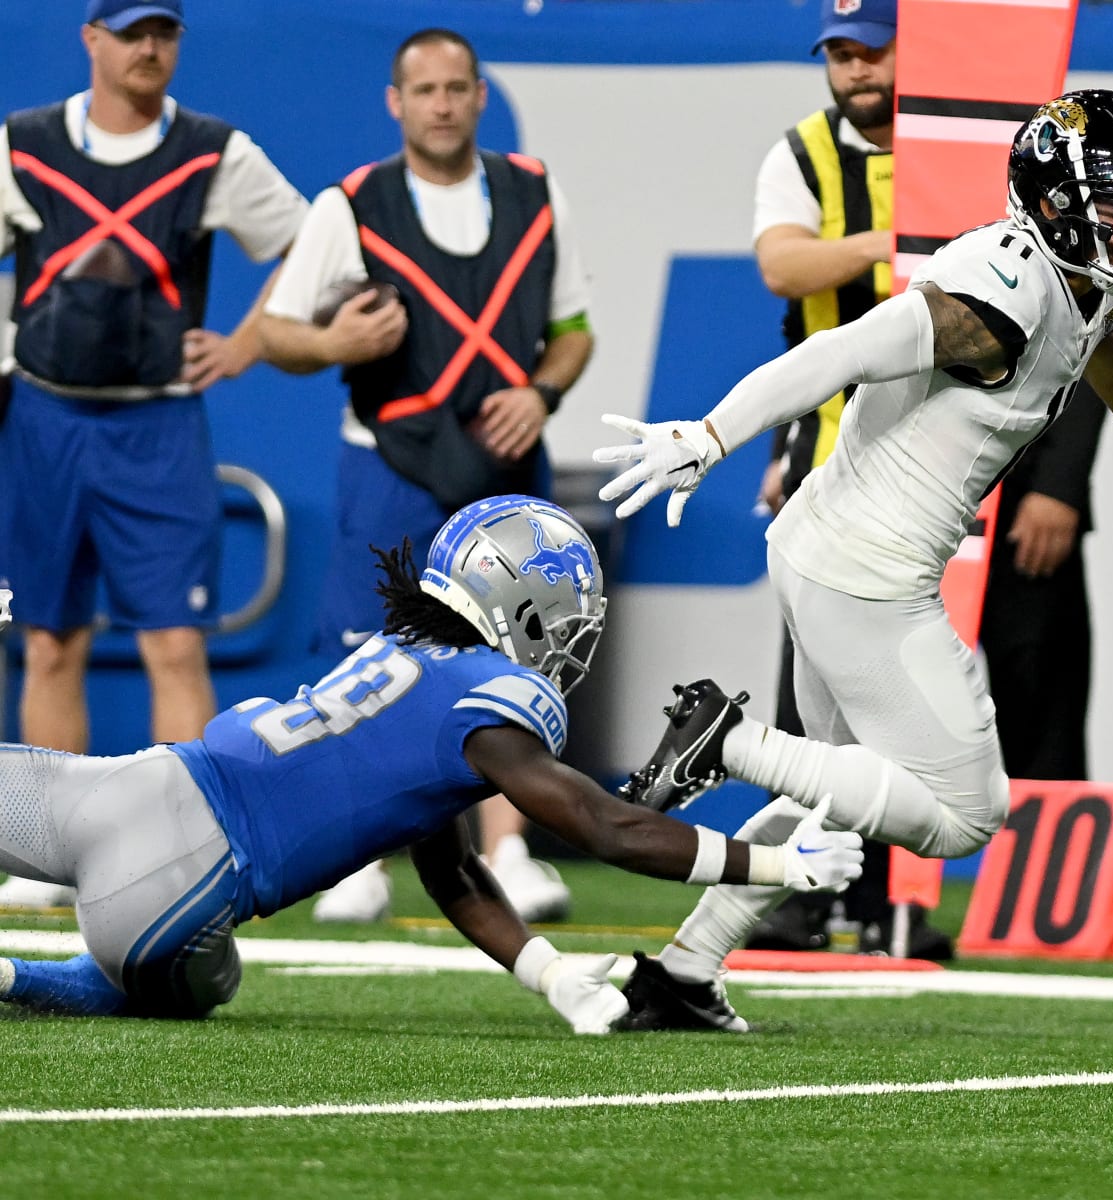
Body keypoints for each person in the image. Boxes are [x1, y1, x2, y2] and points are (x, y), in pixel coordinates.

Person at [593, 89, 1113, 1029]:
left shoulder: (1083, 281)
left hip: (837, 551)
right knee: (963, 814)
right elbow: (839, 351)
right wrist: (710, 436)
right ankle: (728, 741)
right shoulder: (999, 299)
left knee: (837, 791)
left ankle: (683, 971)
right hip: (867, 573)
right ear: (1057, 203)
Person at [0, 494, 864, 1029]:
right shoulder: (488, 701)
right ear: (526, 612)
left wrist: (550, 973)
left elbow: (449, 863)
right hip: (174, 889)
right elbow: (605, 825)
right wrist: (780, 861)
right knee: (191, 984)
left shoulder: (400, 650)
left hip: (127, 787)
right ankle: (17, 979)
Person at [259, 28, 593, 925]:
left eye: (457, 88)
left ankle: (510, 852)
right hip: (389, 461)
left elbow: (574, 329)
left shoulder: (534, 189)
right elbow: (278, 331)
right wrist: (336, 344)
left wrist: (541, 390)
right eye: (425, 90)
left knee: (510, 660)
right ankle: (354, 859)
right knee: (365, 659)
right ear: (395, 103)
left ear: (481, 96)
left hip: (505, 462)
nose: (442, 104)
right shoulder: (351, 204)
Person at [0, 0, 308, 909]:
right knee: (50, 643)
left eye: (164, 33)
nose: (148, 49)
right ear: (90, 40)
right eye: (131, 32)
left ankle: (187, 857)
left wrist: (245, 343)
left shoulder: (217, 151)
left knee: (176, 645)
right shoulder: (21, 146)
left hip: (159, 429)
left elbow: (311, 244)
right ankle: (49, 863)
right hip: (44, 423)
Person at [744, 0, 948, 957]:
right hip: (831, 448)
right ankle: (796, 883)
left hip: (946, 451)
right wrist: (885, 247)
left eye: (874, 50)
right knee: (812, 683)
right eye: (841, 54)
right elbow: (781, 264)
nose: (858, 70)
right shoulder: (802, 153)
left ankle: (886, 899)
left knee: (917, 676)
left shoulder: (959, 147)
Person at [978, 381, 1107, 781]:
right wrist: (800, 446)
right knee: (870, 720)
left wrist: (1058, 481)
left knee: (1040, 718)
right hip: (891, 494)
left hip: (1019, 498)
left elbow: (1094, 331)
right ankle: (849, 845)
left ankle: (1051, 843)